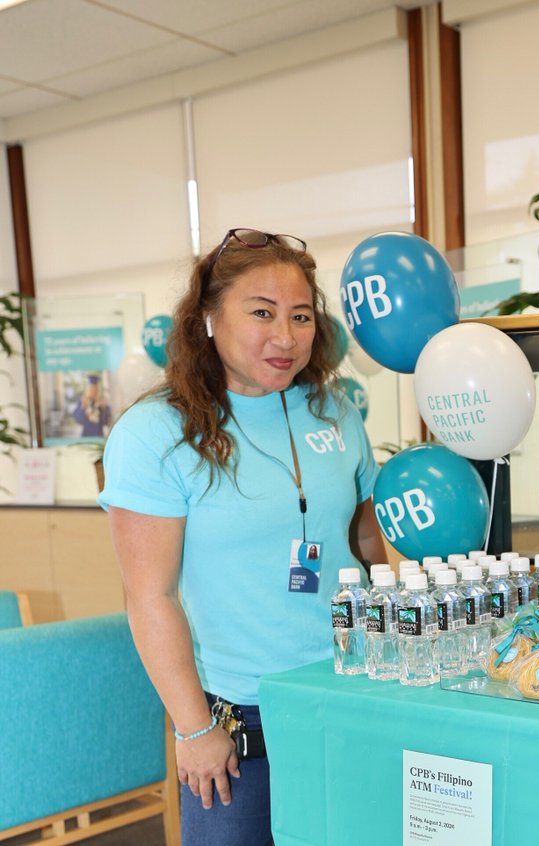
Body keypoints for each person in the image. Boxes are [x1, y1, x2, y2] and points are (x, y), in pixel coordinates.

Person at [99, 228, 388, 846]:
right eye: (262, 313)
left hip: (351, 691)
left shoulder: (334, 410)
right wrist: (194, 729)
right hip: (237, 721)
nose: (286, 337)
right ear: (207, 318)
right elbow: (150, 599)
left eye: (301, 316)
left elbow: (366, 541)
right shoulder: (156, 433)